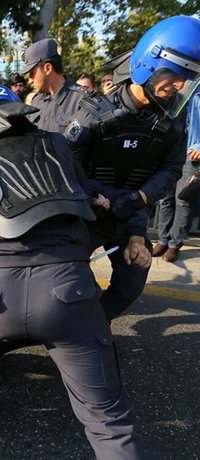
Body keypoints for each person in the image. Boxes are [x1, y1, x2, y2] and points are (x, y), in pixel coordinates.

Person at [0, 86, 148, 460]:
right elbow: (101, 199)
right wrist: (134, 230)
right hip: (68, 295)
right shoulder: (60, 149)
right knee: (110, 424)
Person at [64, 15, 200, 321]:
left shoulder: (172, 120)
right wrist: (103, 197)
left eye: (188, 77)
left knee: (132, 280)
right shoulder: (93, 115)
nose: (180, 85)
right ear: (149, 63)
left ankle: (93, 327)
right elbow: (67, 168)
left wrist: (138, 207)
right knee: (63, 284)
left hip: (130, 214)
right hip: (84, 214)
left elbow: (171, 170)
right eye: (176, 73)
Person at [153, 87, 200, 262]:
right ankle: (163, 239)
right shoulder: (178, 86)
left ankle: (175, 244)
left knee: (183, 198)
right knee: (165, 197)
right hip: (170, 148)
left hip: (191, 151)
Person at [21, 38, 88, 133]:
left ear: (47, 68)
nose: (30, 80)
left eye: (32, 73)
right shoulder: (36, 101)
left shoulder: (82, 101)